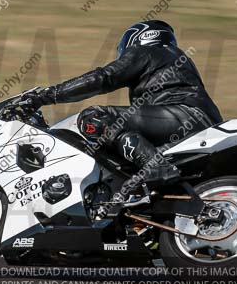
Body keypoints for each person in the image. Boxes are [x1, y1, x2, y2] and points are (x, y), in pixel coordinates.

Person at [22, 20, 222, 185]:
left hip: (183, 115)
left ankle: (156, 166)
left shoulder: (148, 52)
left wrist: (47, 95)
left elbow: (103, 78)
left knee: (94, 117)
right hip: (199, 121)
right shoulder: (174, 60)